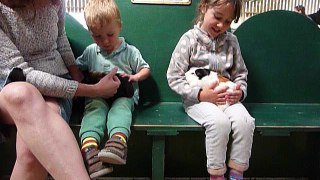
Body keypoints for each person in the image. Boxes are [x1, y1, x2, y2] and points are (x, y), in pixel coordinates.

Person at [0, 0, 121, 179]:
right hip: (10, 84)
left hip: (57, 86)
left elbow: (60, 39)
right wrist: (93, 90)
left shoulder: (54, 2)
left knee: (32, 153)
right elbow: (21, 74)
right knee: (23, 93)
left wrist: (76, 73)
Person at [167, 0, 255, 179]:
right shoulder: (189, 40)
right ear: (203, 8)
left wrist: (240, 91)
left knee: (245, 122)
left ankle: (237, 173)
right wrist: (200, 94)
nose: (221, 25)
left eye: (228, 21)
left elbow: (240, 74)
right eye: (217, 17)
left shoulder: (232, 41)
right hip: (197, 100)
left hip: (227, 98)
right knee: (219, 123)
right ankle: (216, 174)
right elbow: (173, 76)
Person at [76, 0, 151, 178]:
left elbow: (145, 69)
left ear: (119, 27)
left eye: (110, 34)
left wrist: (135, 77)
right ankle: (90, 150)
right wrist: (82, 81)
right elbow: (77, 67)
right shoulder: (90, 52)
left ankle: (117, 143)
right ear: (91, 33)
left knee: (121, 109)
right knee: (94, 109)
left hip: (123, 94)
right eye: (97, 36)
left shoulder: (130, 51)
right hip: (98, 94)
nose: (105, 41)